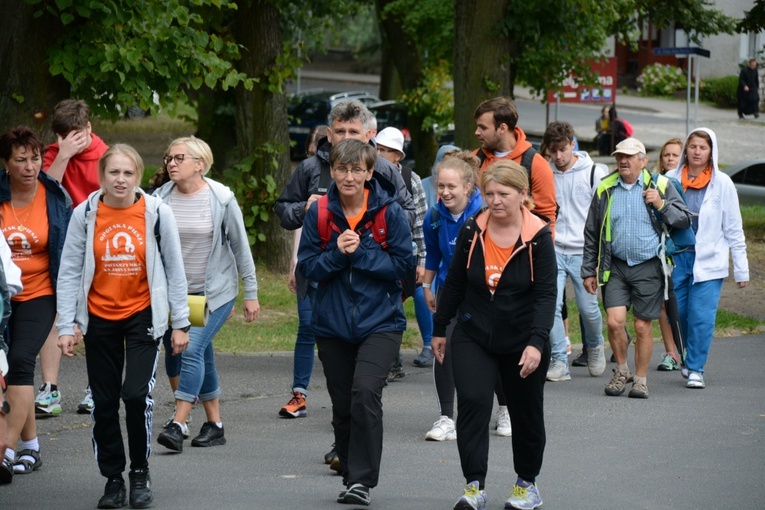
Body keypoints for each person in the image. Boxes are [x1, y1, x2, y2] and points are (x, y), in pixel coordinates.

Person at [56, 144, 190, 508]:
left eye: (128, 173)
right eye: (113, 172)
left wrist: (180, 324)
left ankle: (140, 472)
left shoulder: (156, 213)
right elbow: (68, 272)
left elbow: (176, 271)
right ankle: (113, 478)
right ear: (101, 177)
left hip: (143, 316)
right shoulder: (85, 214)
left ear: (138, 178)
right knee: (103, 402)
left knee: (134, 395)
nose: (120, 179)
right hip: (99, 318)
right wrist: (67, 325)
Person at [273, 99, 414, 426]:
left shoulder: (384, 170)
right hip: (322, 271)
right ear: (329, 133)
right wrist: (306, 210)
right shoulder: (310, 168)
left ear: (369, 135)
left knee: (361, 378)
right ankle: (304, 394)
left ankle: (354, 424)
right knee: (313, 331)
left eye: (354, 130)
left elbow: (407, 214)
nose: (346, 136)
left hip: (372, 280)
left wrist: (371, 233)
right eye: (340, 131)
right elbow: (283, 210)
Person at [431, 160, 556, 510]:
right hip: (474, 333)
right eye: (489, 194)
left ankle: (526, 485)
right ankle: (474, 487)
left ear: (522, 195)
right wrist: (440, 328)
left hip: (522, 339)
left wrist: (536, 342)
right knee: (472, 402)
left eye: (504, 193)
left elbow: (547, 295)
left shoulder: (538, 236)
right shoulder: (474, 229)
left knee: (525, 411)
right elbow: (454, 281)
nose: (496, 200)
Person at [297, 138, 413, 506]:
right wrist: (336, 252)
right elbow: (308, 268)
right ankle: (350, 474)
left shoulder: (389, 213)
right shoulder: (319, 213)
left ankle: (362, 480)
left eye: (357, 170)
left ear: (369, 172)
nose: (349, 176)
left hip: (382, 322)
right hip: (331, 325)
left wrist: (360, 252)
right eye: (342, 169)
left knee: (365, 393)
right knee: (343, 403)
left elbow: (403, 269)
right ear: (332, 171)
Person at [155, 136, 260, 451]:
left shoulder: (221, 198)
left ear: (199, 164)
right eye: (168, 158)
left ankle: (178, 422)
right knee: (191, 355)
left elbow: (241, 247)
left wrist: (250, 292)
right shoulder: (160, 199)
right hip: (178, 296)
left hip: (213, 292)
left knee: (190, 349)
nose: (171, 163)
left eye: (179, 158)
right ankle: (214, 424)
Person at [582, 138, 692, 399]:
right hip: (616, 266)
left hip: (649, 266)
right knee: (614, 322)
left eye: (630, 157)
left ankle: (640, 379)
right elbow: (592, 232)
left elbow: (685, 219)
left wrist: (661, 204)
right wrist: (588, 269)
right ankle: (622, 371)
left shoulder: (661, 185)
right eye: (620, 156)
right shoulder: (606, 188)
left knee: (643, 326)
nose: (623, 160)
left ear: (643, 161)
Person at [0, 126, 71, 484]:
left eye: (35, 158)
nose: (30, 167)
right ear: (5, 164)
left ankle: (5, 450)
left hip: (40, 293)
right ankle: (31, 446)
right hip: (2, 297)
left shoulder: (56, 197)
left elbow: (71, 253)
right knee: (10, 370)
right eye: (21, 160)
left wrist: (72, 310)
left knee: (21, 360)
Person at [39, 98, 108, 416]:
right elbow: (44, 191)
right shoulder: (53, 156)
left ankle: (97, 387)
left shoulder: (105, 156)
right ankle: (50, 389)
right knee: (54, 311)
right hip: (59, 241)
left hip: (96, 241)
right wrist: (63, 155)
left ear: (89, 128)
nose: (70, 142)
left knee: (96, 313)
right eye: (63, 137)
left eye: (77, 135)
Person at [666, 128, 749, 389]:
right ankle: (687, 353)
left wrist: (742, 269)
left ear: (711, 151)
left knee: (701, 315)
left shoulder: (722, 183)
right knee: (677, 314)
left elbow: (734, 228)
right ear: (686, 150)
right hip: (677, 259)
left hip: (709, 260)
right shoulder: (669, 178)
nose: (697, 152)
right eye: (693, 147)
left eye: (703, 147)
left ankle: (696, 368)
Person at [421, 151, 483, 443]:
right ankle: (447, 418)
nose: (445, 192)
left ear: (468, 187)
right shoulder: (434, 216)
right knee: (442, 345)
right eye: (440, 186)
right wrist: (427, 286)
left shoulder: (484, 212)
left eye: (451, 187)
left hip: (484, 292)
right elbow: (432, 252)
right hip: (450, 289)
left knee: (491, 349)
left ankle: (506, 408)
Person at [542, 121, 608, 382]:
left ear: (572, 145)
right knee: (551, 306)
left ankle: (594, 345)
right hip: (554, 248)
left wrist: (598, 253)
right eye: (553, 151)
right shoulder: (544, 172)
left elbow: (602, 215)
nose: (558, 156)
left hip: (584, 251)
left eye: (562, 149)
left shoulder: (593, 172)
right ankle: (559, 360)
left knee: (588, 308)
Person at [280, 124, 329, 420]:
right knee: (307, 328)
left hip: (343, 269)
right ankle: (299, 394)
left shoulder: (369, 168)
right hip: (309, 266)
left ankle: (352, 398)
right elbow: (289, 213)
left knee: (341, 334)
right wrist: (294, 264)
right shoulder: (310, 168)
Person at [374, 126, 432, 369]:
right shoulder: (369, 174)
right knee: (383, 304)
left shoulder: (411, 179)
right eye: (377, 148)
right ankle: (389, 358)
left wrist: (422, 262)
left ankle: (395, 357)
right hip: (376, 252)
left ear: (398, 155)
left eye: (386, 150)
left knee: (397, 304)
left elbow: (420, 222)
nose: (379, 154)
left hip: (405, 254)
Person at [472, 97, 557, 234]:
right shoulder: (475, 160)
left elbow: (546, 217)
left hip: (521, 249)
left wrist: (541, 253)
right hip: (482, 246)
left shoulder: (535, 163)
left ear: (502, 128)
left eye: (483, 127)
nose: (477, 132)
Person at [651, 138, 684, 371]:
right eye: (667, 155)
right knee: (664, 303)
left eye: (675, 155)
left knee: (682, 304)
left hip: (688, 250)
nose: (671, 158)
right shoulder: (655, 184)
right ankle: (671, 352)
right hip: (665, 252)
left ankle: (687, 349)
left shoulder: (687, 182)